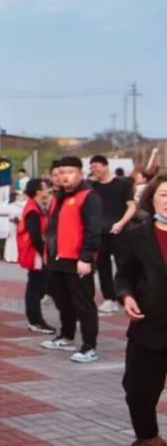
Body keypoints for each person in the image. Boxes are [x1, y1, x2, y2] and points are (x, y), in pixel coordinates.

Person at [116, 174, 167, 446]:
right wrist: (126, 296)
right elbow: (123, 276)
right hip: (150, 324)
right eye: (164, 194)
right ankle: (149, 438)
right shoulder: (136, 236)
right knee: (138, 392)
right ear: (152, 198)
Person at [41, 156, 102, 364]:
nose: (65, 177)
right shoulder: (60, 197)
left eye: (70, 172)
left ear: (80, 174)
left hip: (78, 260)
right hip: (58, 259)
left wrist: (85, 258)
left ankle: (89, 346)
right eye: (62, 172)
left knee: (84, 303)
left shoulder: (89, 197)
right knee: (61, 299)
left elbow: (94, 230)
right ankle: (66, 335)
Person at [90, 154, 137, 315]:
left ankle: (126, 295)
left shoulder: (122, 184)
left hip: (120, 230)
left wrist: (121, 223)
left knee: (124, 264)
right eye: (91, 168)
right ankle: (109, 298)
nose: (94, 171)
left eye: (96, 167)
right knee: (103, 266)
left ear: (105, 166)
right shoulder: (92, 187)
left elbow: (131, 206)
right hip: (100, 232)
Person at [16, 179, 55, 334]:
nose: (48, 191)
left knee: (38, 286)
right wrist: (44, 253)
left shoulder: (36, 207)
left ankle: (36, 319)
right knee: (35, 288)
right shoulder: (33, 210)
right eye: (45, 188)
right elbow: (35, 236)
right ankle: (35, 320)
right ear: (38, 191)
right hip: (36, 255)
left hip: (38, 253)